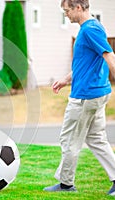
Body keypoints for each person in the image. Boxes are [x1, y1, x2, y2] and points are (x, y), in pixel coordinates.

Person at [44, 0, 115, 195]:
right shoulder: (91, 28)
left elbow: (110, 56)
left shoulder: (91, 29)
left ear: (78, 7)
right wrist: (66, 79)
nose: (65, 14)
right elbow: (86, 63)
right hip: (95, 92)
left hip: (86, 96)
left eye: (67, 10)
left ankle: (66, 184)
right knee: (96, 139)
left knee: (69, 139)